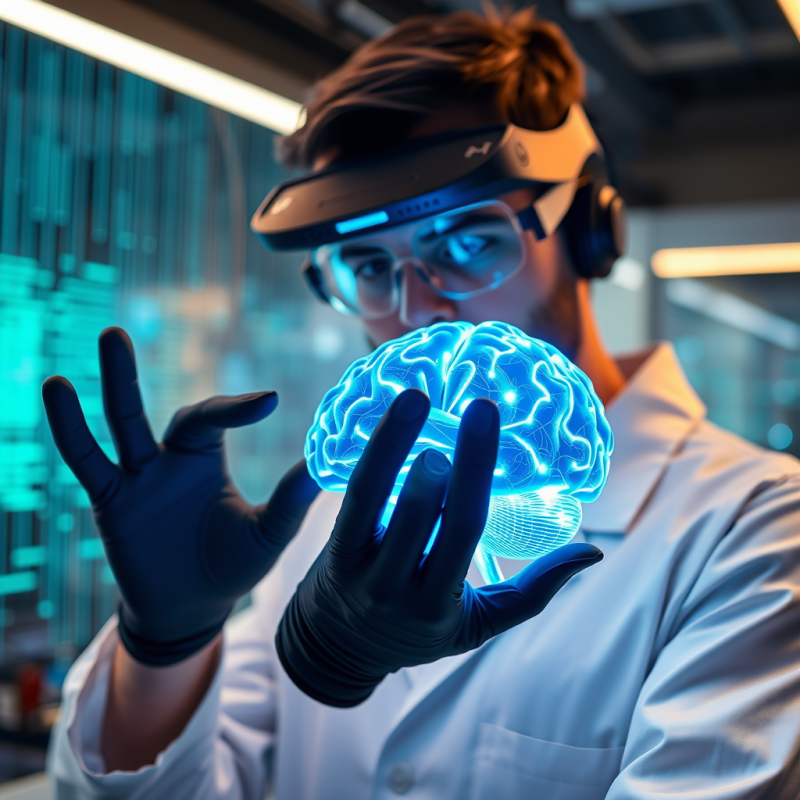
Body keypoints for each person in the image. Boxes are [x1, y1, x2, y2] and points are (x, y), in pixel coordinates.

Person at [44, 6, 800, 799]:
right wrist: (164, 646)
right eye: (369, 265)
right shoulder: (333, 519)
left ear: (584, 231)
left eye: (468, 240)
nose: (415, 309)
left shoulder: (757, 528)